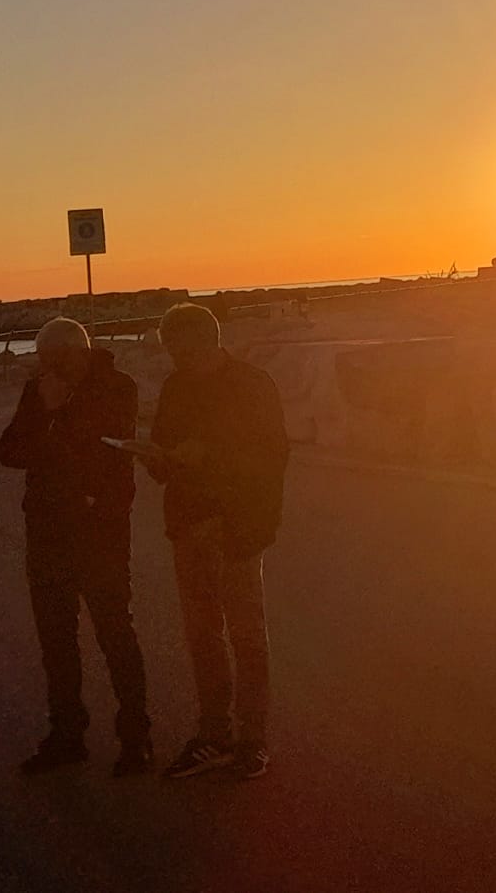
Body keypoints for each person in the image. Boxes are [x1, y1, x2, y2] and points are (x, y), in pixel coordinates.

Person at [0, 318, 152, 776]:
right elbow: (9, 452)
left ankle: (136, 737)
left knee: (115, 633)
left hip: (100, 531)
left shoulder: (117, 387)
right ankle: (67, 733)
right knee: (56, 640)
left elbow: (103, 451)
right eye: (43, 359)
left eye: (56, 358)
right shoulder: (38, 391)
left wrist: (54, 423)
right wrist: (46, 410)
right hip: (47, 533)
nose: (49, 367)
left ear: (80, 353)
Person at [144, 304, 289, 781]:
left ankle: (252, 740)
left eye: (178, 348)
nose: (173, 357)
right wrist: (157, 459)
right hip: (189, 526)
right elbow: (165, 451)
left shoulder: (252, 384)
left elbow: (271, 457)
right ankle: (214, 733)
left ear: (204, 341)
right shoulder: (176, 386)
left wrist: (206, 457)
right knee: (202, 636)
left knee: (247, 637)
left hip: (237, 529)